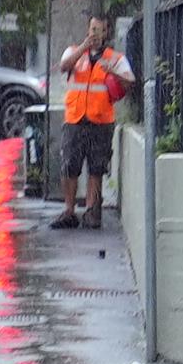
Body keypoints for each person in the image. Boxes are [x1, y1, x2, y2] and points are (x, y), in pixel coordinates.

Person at [53, 15, 132, 231]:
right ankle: (69, 211)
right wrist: (83, 48)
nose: (95, 34)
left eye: (99, 30)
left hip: (101, 120)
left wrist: (112, 71)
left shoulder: (115, 58)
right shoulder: (74, 52)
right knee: (69, 165)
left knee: (96, 168)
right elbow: (64, 66)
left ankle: (91, 211)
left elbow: (129, 83)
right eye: (92, 29)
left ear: (107, 33)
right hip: (75, 119)